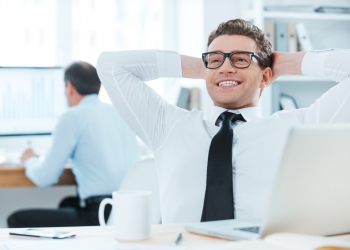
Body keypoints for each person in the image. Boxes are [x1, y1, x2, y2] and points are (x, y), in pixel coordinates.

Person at [96, 19, 350, 224]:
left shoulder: (297, 129)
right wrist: (205, 68)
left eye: (240, 59)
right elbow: (111, 65)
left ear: (266, 76)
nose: (226, 68)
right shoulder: (168, 126)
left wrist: (288, 63)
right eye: (216, 59)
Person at [7, 61, 138, 228]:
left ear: (69, 87)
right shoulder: (119, 112)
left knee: (16, 219)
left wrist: (29, 160)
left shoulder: (73, 116)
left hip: (99, 214)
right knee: (67, 203)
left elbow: (44, 178)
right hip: (128, 211)